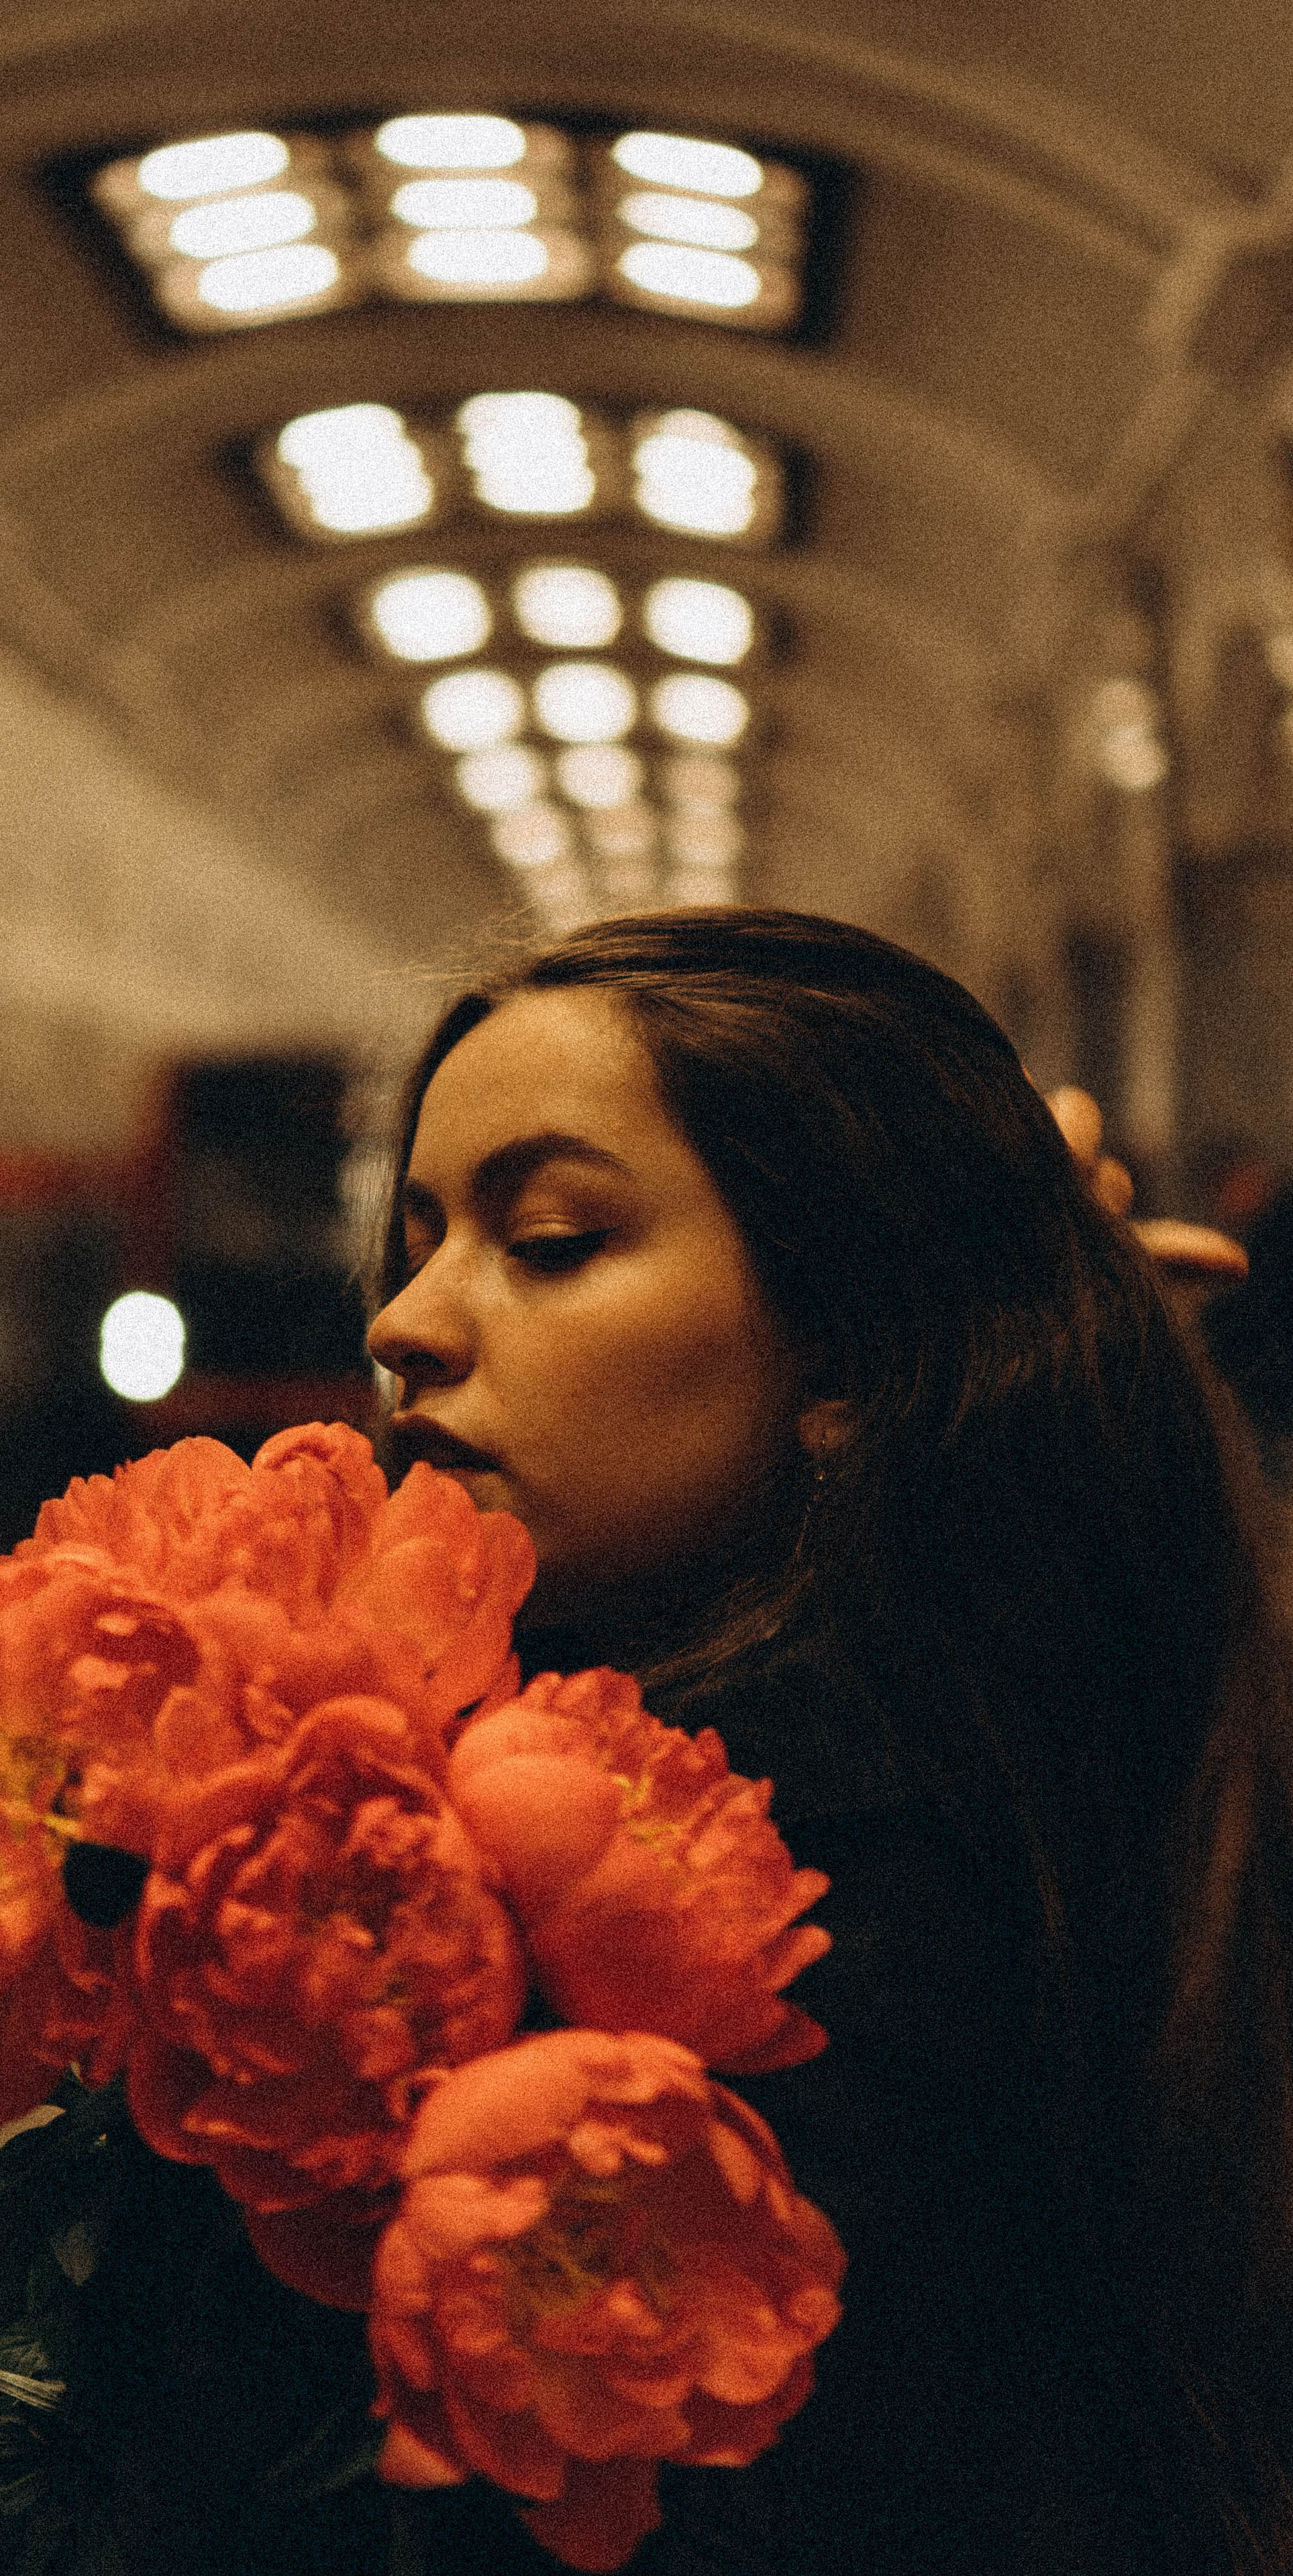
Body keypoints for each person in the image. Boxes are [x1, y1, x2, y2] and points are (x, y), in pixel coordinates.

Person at [363, 907, 1293, 2576]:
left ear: (854, 1344)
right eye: (416, 1235)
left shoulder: (776, 1925)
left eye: (551, 1238)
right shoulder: (1063, 1717)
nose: (407, 1321)